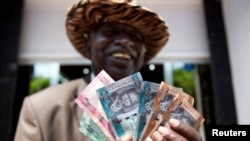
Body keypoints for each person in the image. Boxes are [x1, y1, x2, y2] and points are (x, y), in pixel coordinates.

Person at [14, 0, 202, 141]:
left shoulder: (172, 112)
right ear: (89, 46)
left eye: (135, 37)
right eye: (110, 32)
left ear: (144, 54)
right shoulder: (40, 109)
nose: (125, 41)